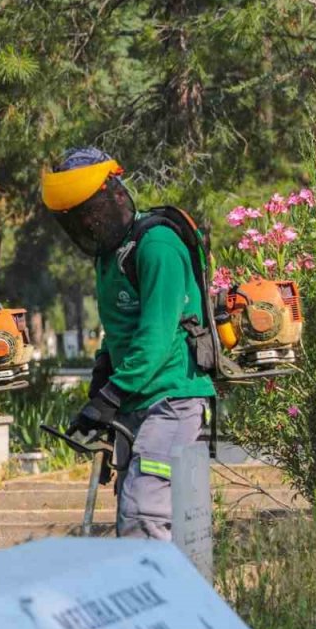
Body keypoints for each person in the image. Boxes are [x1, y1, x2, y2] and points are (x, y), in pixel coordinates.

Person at [41, 148, 215, 539]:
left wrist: (110, 396)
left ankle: (153, 597)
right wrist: (102, 374)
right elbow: (121, 329)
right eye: (79, 218)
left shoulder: (156, 246)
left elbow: (156, 335)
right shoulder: (108, 257)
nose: (89, 223)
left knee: (143, 514)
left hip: (171, 396)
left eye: (92, 211)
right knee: (132, 509)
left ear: (116, 194)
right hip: (136, 401)